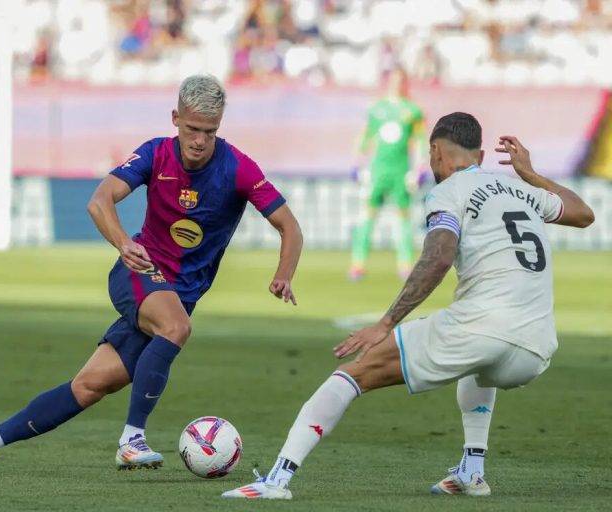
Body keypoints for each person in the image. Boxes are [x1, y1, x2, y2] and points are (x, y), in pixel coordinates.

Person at [223, 112, 594, 499]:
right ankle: (472, 471)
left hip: (484, 329)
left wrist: (385, 323)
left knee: (354, 373)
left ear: (435, 152)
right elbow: (584, 214)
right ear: (481, 156)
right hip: (536, 347)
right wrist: (531, 174)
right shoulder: (520, 188)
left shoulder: (448, 190)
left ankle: (277, 480)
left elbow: (438, 256)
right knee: (477, 362)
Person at [0, 74, 303, 478]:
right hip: (138, 271)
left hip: (178, 295)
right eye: (192, 129)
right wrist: (123, 243)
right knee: (176, 327)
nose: (199, 141)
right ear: (175, 118)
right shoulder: (155, 154)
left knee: (88, 386)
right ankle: (132, 439)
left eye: (209, 132)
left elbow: (290, 227)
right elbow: (99, 200)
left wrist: (284, 274)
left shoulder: (238, 168)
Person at [350, 67, 425, 280]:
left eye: (400, 80)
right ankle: (358, 263)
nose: (397, 84)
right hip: (378, 170)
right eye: (393, 80)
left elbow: (420, 140)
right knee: (368, 215)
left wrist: (419, 168)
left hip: (400, 170)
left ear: (405, 83)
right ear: (388, 82)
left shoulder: (413, 111)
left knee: (403, 216)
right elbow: (366, 135)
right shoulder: (376, 108)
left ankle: (405, 265)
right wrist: (357, 163)